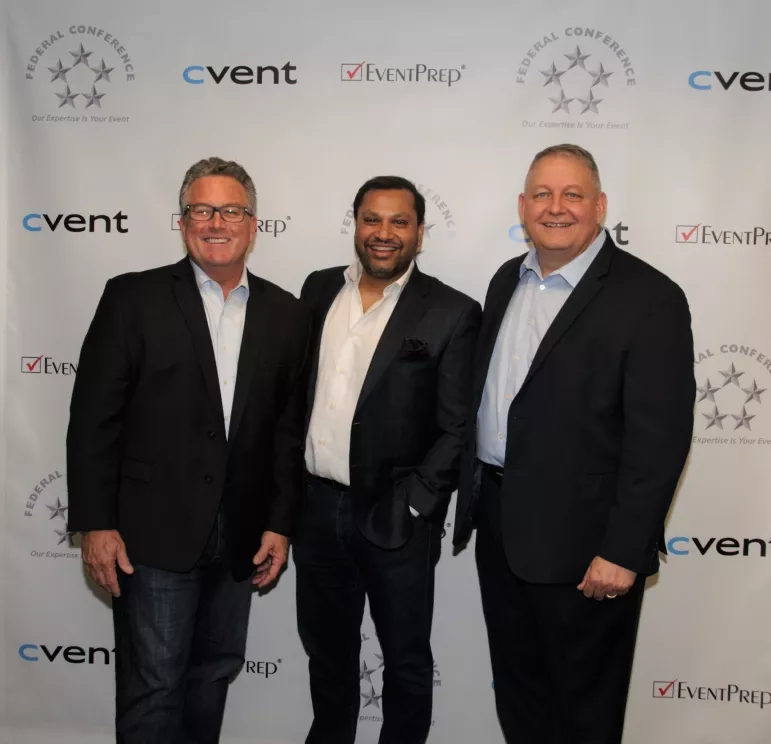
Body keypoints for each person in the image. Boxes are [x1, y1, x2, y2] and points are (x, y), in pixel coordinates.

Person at [453, 144, 695, 744]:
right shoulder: (506, 279)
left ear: (601, 206)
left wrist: (623, 548)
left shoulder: (650, 298)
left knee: (584, 712)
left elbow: (660, 437)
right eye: (542, 194)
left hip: (589, 549)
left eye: (571, 195)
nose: (555, 208)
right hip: (502, 528)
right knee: (520, 697)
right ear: (522, 206)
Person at [66, 157, 310, 744]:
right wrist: (96, 524)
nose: (216, 222)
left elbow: (285, 431)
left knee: (213, 676)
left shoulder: (286, 313)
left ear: (254, 225)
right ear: (182, 222)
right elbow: (93, 420)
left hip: (241, 537)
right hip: (151, 536)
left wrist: (279, 524)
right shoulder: (132, 298)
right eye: (202, 210)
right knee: (154, 687)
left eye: (231, 210)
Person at [295, 175, 481, 744]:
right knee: (327, 655)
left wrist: (416, 505)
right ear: (355, 224)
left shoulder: (452, 311)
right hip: (317, 511)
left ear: (420, 233)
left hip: (397, 518)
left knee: (404, 662)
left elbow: (457, 429)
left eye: (399, 222)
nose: (383, 233)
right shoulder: (317, 288)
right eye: (371, 219)